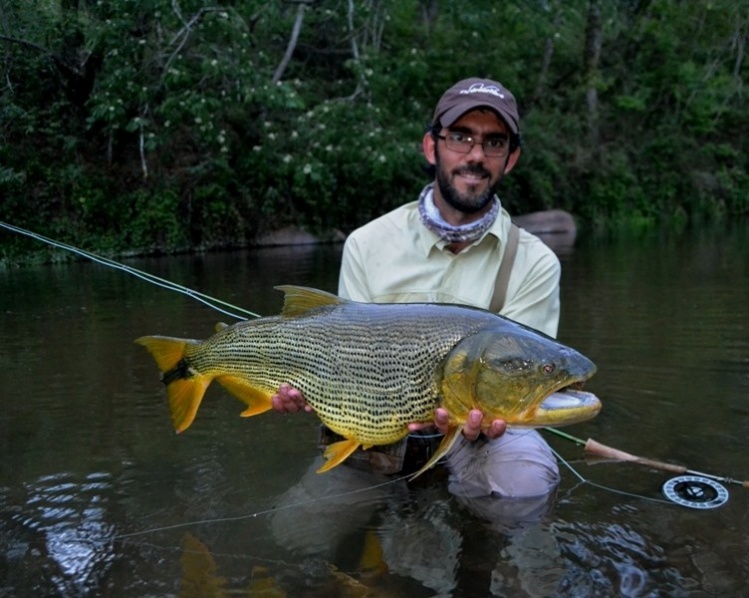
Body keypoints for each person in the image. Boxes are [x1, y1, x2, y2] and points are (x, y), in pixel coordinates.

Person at [272, 77, 561, 501]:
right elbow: (336, 355)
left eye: (494, 143)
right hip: (374, 427)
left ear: (511, 158)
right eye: (461, 137)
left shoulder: (536, 263)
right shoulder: (367, 244)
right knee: (294, 539)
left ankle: (478, 557)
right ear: (432, 147)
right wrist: (303, 387)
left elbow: (525, 376)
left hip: (478, 440)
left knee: (525, 485)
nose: (476, 155)